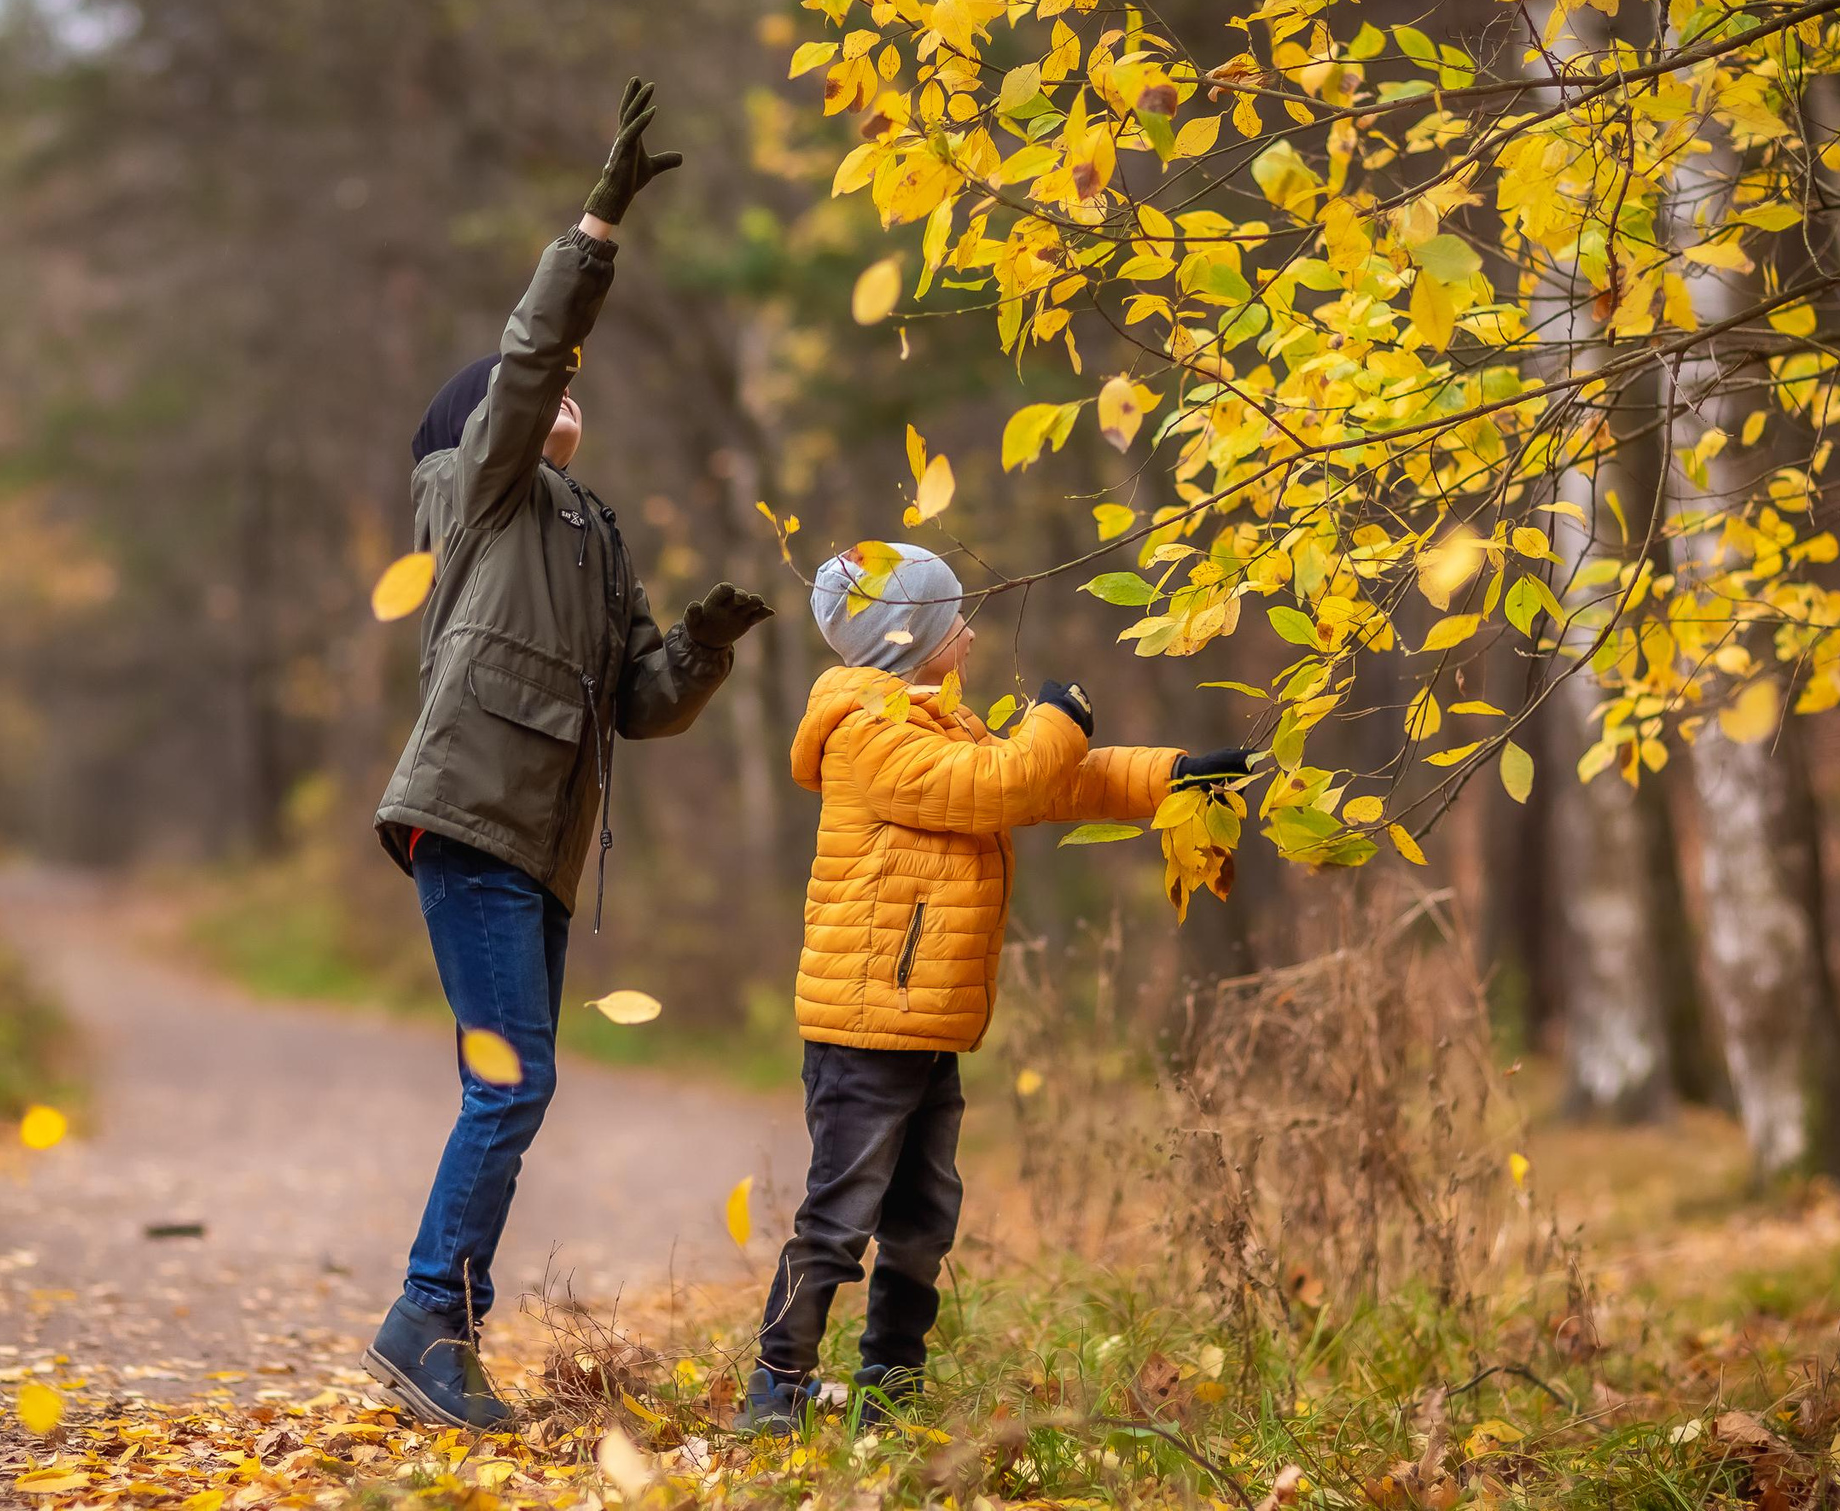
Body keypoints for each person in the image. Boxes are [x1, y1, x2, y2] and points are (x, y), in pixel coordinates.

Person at [363, 79, 775, 1431]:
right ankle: (427, 1315)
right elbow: (536, 348)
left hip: (531, 845)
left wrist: (704, 646)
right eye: (540, 392)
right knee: (511, 1078)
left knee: (517, 1081)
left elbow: (640, 702)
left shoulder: (593, 536)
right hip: (470, 819)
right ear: (492, 421)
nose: (565, 397)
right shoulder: (486, 502)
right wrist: (597, 224)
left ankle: (444, 1323)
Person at [737, 542, 1253, 1434]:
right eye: (953, 620)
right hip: (867, 1025)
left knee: (924, 1212)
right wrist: (1056, 717)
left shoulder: (933, 723)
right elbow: (1005, 784)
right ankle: (775, 1388)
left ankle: (889, 1390)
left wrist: (1177, 773)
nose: (970, 634)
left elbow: (1059, 781)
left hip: (924, 1021)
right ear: (908, 639)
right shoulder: (870, 736)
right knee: (839, 1215)